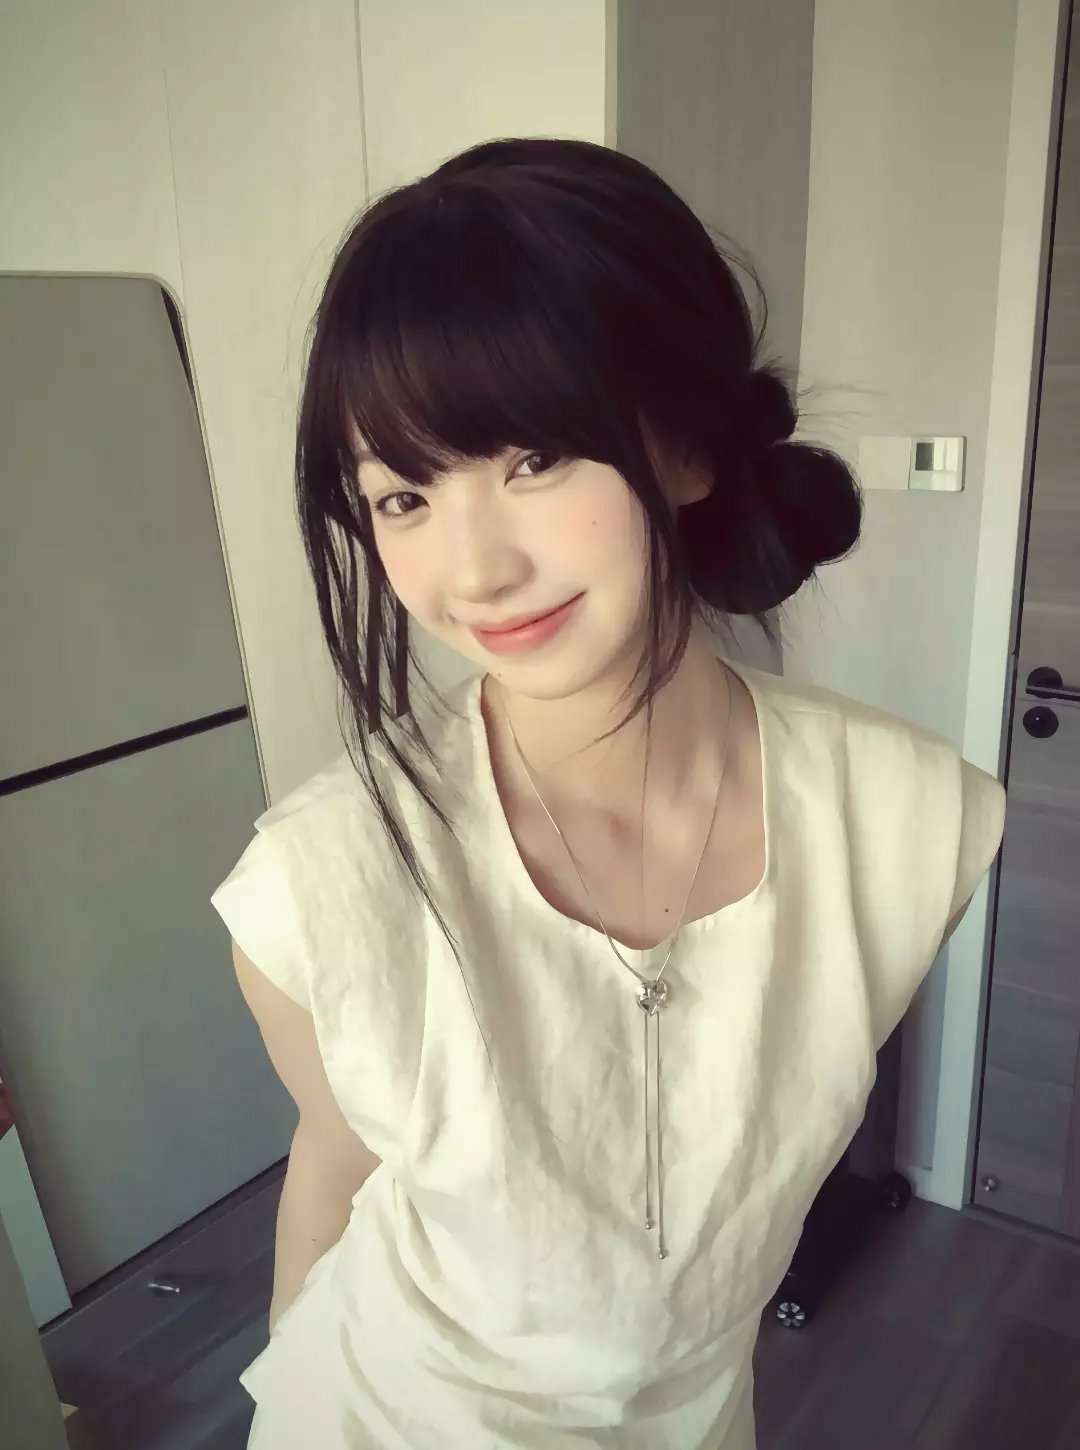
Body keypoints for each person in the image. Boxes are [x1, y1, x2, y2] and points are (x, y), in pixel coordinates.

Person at [210, 137, 1007, 1449]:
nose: (474, 570)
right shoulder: (319, 884)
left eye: (532, 458)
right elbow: (335, 1164)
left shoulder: (909, 820)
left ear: (685, 444)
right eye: (402, 497)